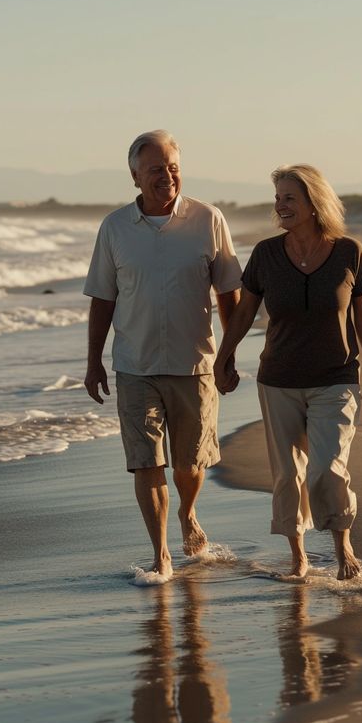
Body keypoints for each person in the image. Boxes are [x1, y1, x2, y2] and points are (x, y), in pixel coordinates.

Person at [214, 164, 362, 581]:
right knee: (288, 473)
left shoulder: (349, 252)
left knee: (328, 467)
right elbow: (243, 313)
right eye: (278, 199)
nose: (281, 206)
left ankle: (342, 544)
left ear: (314, 202)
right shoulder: (267, 254)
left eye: (289, 198)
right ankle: (298, 556)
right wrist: (225, 356)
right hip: (279, 380)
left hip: (337, 378)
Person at [84, 130, 241, 582]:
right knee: (146, 460)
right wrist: (94, 360)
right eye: (156, 169)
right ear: (135, 177)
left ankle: (188, 513)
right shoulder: (114, 228)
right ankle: (161, 554)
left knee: (190, 465)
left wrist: (227, 356)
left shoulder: (208, 219)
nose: (167, 176)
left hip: (195, 364)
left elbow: (228, 293)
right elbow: (102, 299)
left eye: (173, 166)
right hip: (135, 365)